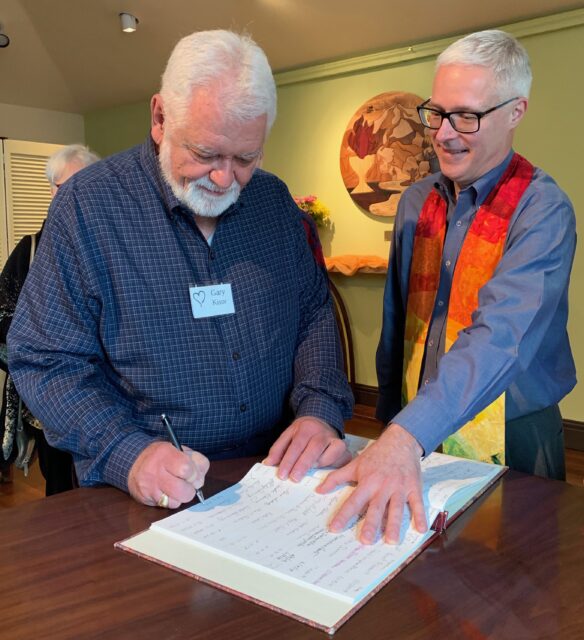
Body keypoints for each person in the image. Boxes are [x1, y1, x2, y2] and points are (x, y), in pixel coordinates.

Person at [8, 30, 353, 508]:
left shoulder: (272, 202)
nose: (224, 178)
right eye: (205, 154)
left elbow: (313, 311)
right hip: (144, 492)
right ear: (159, 118)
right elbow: (45, 358)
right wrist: (128, 453)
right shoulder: (88, 207)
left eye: (246, 157)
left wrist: (319, 410)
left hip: (277, 479)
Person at [319, 30, 576, 544]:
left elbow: (500, 337)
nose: (444, 134)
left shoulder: (542, 209)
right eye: (437, 113)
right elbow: (400, 325)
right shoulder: (418, 201)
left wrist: (405, 436)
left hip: (513, 429)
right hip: (418, 423)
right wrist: (393, 420)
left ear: (516, 111)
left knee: (516, 589)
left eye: (468, 116)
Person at [0, 144, 100, 494]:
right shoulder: (29, 250)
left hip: (107, 399)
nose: (75, 196)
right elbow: (3, 325)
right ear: (51, 191)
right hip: (51, 401)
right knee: (61, 490)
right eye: (66, 187)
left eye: (85, 185)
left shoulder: (109, 246)